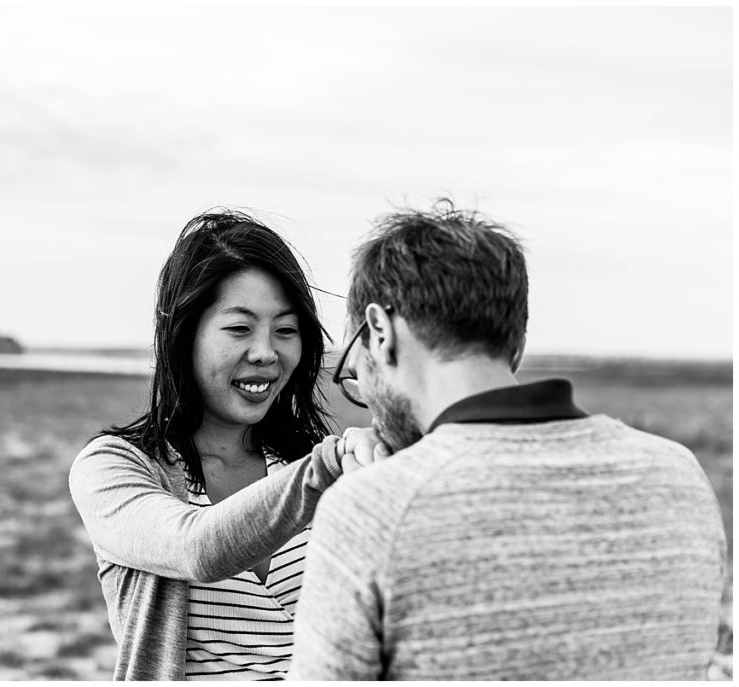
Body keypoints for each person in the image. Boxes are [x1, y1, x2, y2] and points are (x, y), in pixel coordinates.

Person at [289, 201, 727, 680]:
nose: (364, 395)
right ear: (513, 344)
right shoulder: (679, 475)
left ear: (380, 330)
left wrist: (375, 504)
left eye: (353, 366)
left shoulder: (370, 510)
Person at [69, 210, 382, 681]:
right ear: (184, 335)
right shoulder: (114, 467)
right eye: (239, 329)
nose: (266, 352)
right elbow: (197, 547)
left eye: (285, 330)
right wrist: (326, 470)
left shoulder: (309, 462)